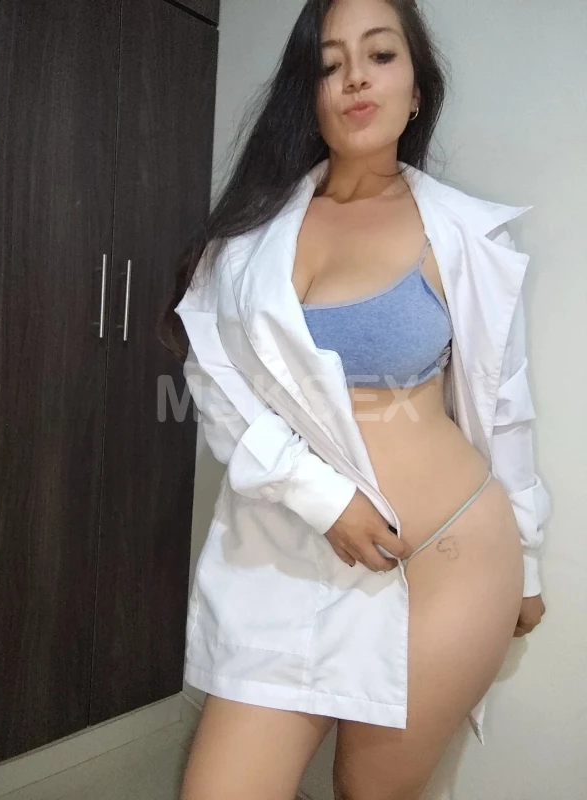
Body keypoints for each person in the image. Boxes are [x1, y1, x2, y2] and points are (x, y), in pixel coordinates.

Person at [158, 0, 550, 798]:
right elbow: (217, 391)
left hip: (448, 558)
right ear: (307, 95)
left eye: (380, 55)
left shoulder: (466, 236)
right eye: (330, 64)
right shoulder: (245, 242)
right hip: (292, 554)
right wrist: (325, 498)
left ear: (417, 89)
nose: (355, 79)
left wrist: (530, 562)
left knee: (369, 792)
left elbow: (505, 405)